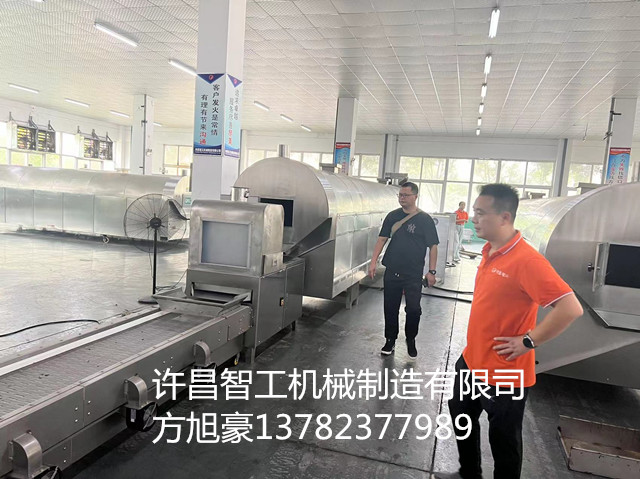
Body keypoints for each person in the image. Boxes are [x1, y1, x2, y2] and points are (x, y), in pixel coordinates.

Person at [437, 184, 583, 479]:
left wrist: (529, 341)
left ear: (504, 217)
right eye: (474, 211)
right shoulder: (490, 251)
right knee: (462, 417)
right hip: (472, 361)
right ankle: (469, 474)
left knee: (504, 441)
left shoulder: (527, 260)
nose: (473, 218)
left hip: (504, 371)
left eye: (481, 213)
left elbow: (571, 307)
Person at [368, 182, 439, 359]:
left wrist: (432, 271)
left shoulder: (425, 219)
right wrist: (373, 262)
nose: (402, 198)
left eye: (405, 195)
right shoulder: (392, 216)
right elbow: (382, 239)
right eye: (400, 195)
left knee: (414, 309)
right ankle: (390, 340)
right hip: (392, 270)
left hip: (414, 273)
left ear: (415, 196)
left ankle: (411, 338)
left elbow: (433, 246)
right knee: (390, 307)